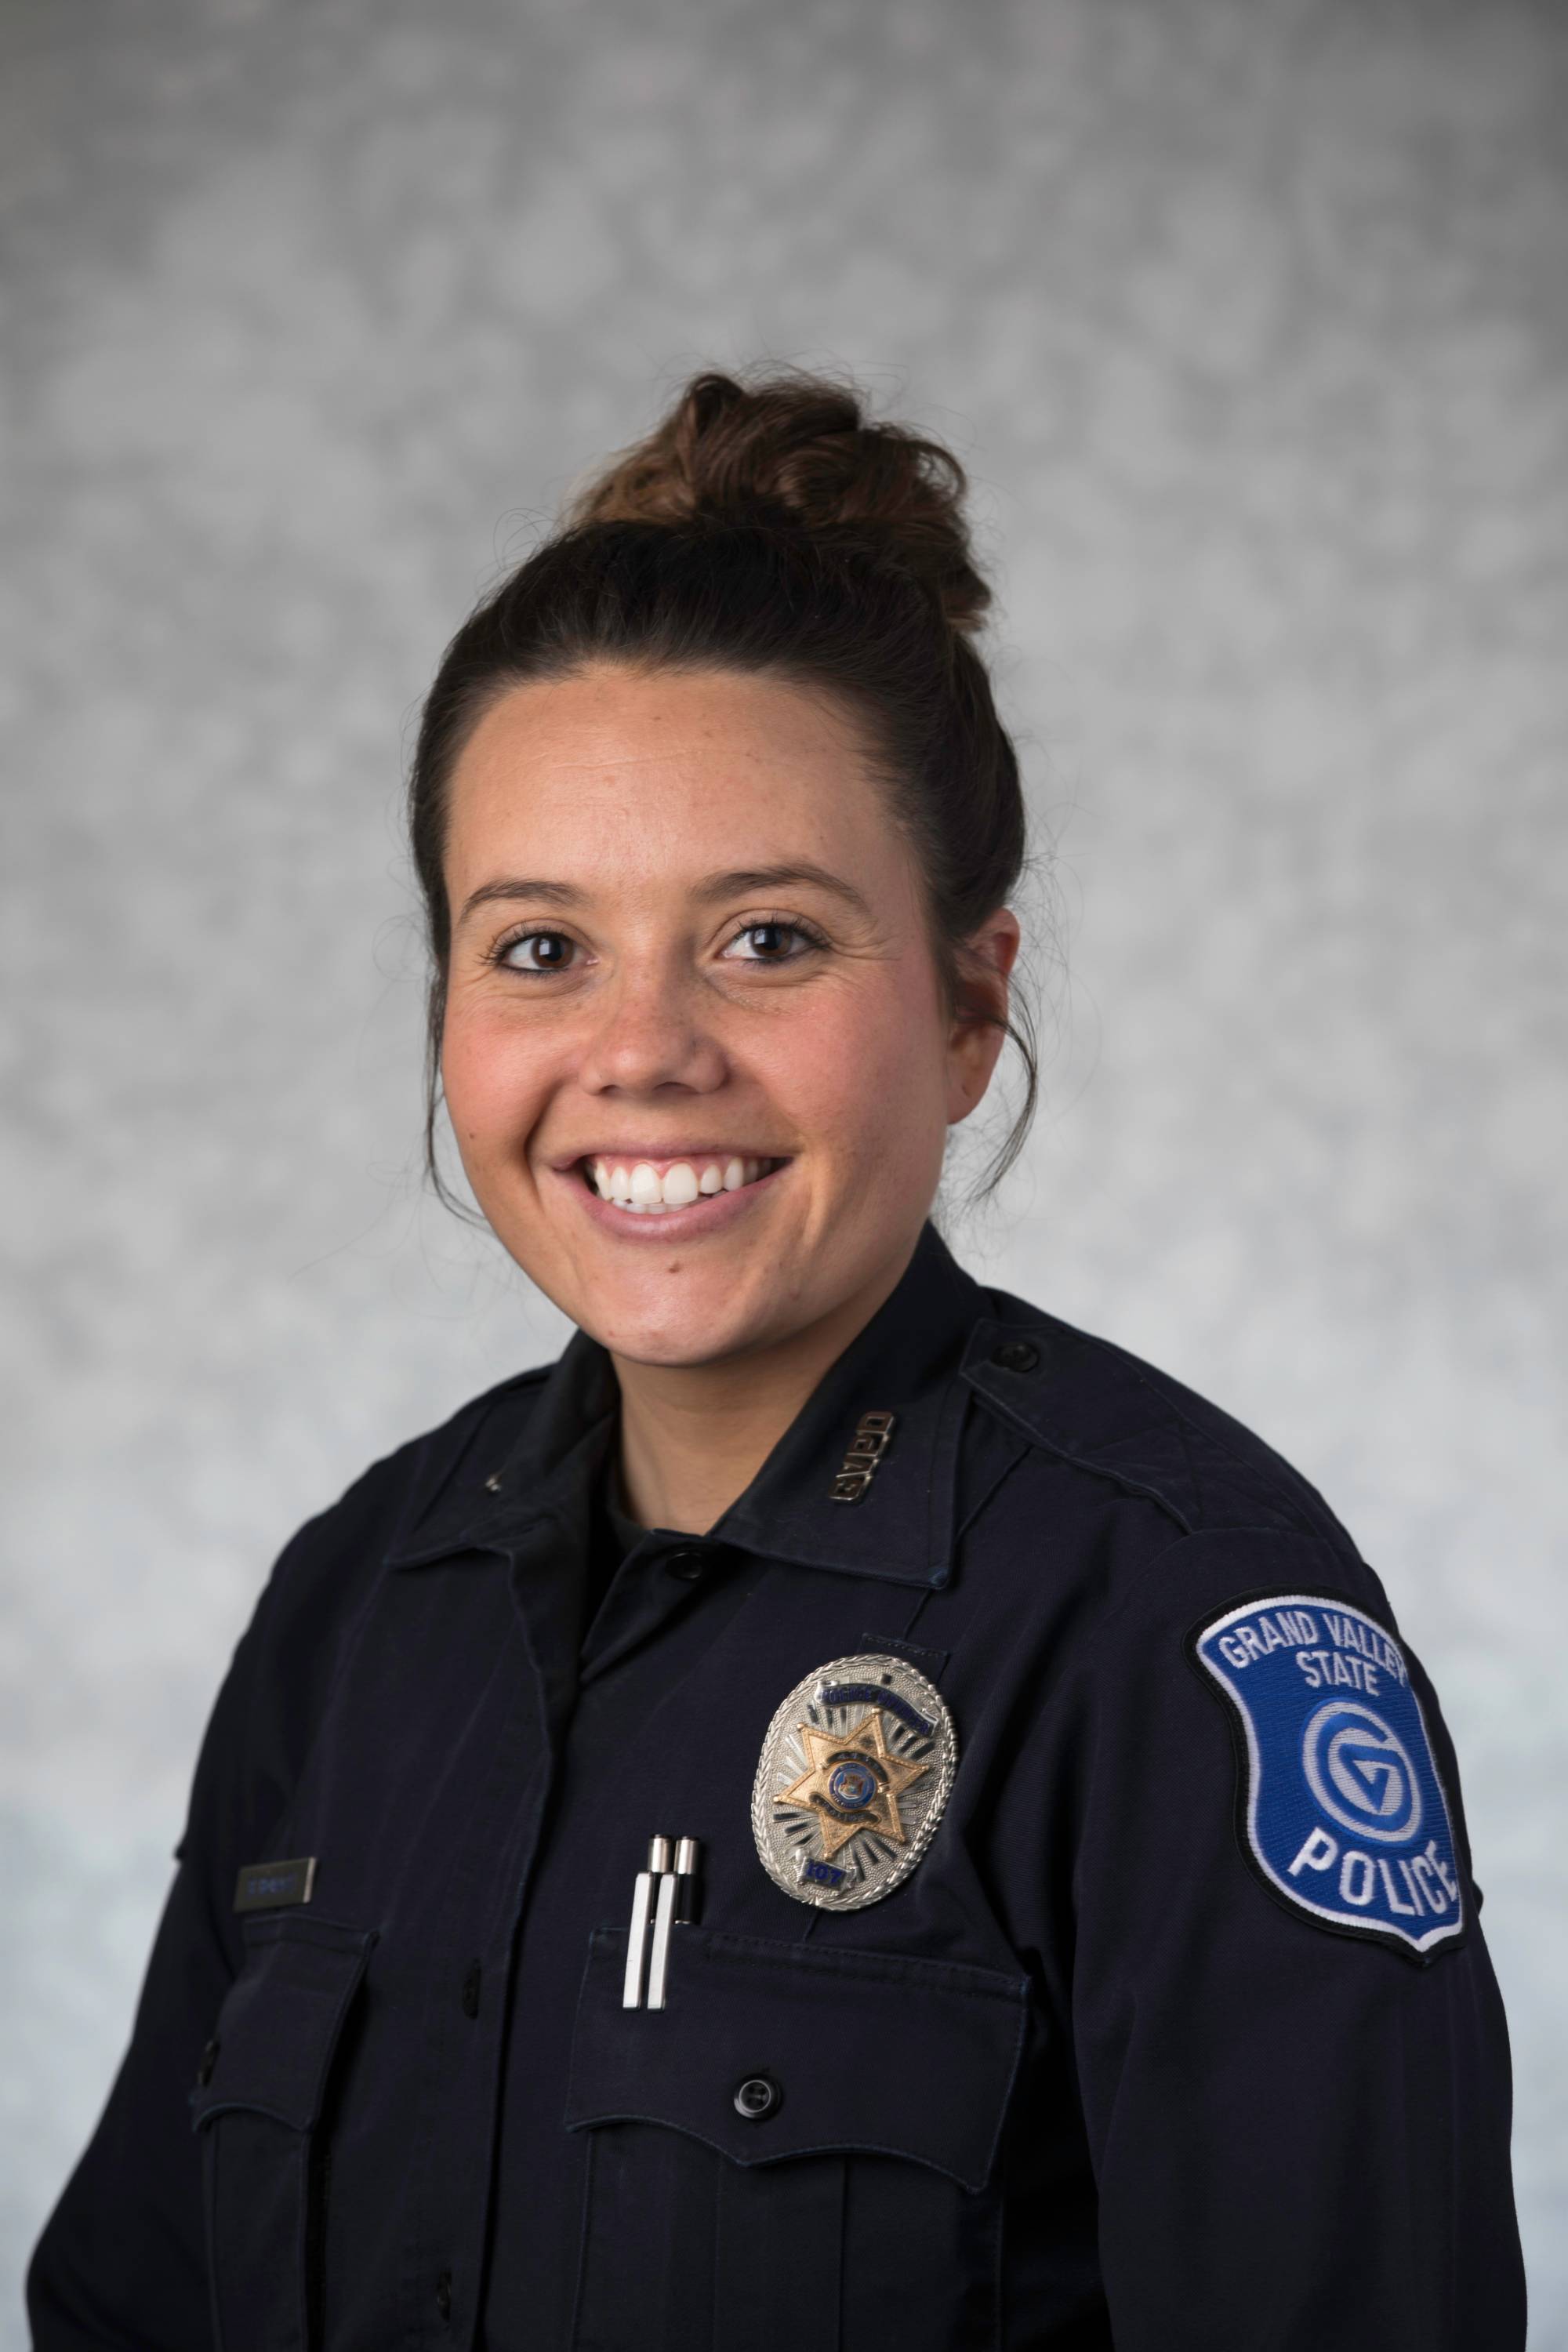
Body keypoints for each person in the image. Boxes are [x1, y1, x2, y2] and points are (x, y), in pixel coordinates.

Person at [28, 368, 1524, 2352]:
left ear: (972, 1005)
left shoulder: (1182, 1621)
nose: (639, 1051)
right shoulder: (353, 1609)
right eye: (540, 948)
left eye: (768, 940)